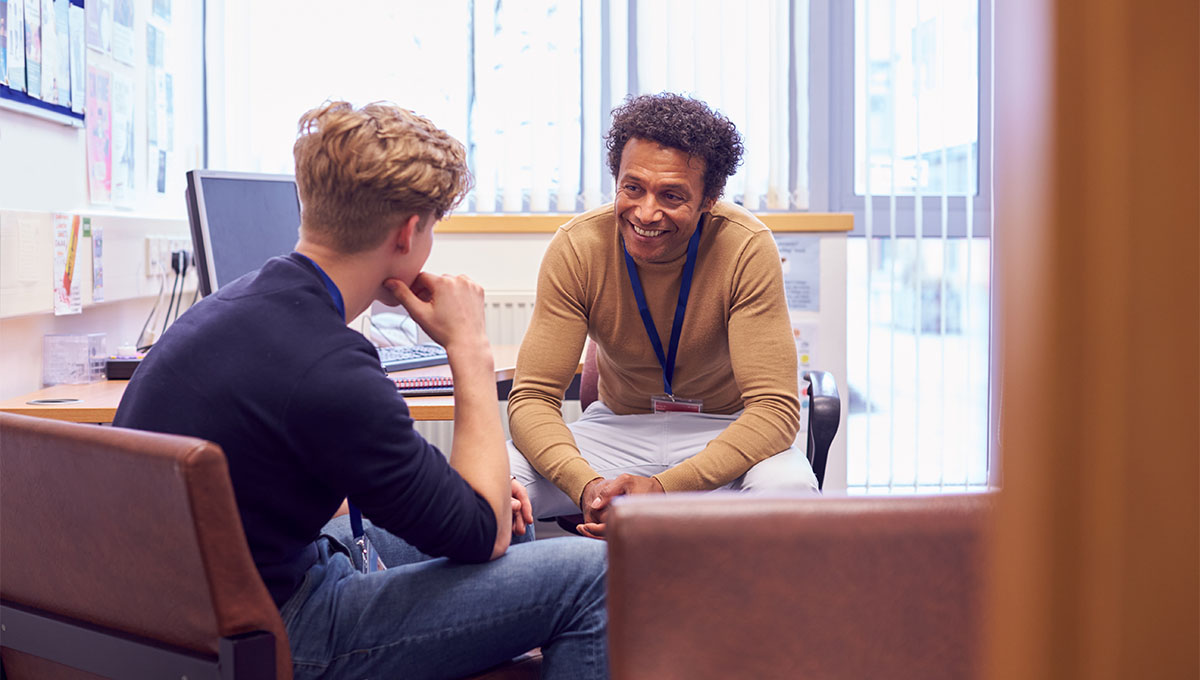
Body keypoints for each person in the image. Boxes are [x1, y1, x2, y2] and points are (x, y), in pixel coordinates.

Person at [114, 101, 607, 680]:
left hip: (184, 612)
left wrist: (482, 506)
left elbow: (439, 501)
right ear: (407, 233)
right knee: (596, 572)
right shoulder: (330, 368)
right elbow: (481, 535)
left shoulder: (235, 305)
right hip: (276, 633)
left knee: (519, 530)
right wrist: (468, 348)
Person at [507, 93, 818, 539]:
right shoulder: (578, 247)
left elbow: (774, 411)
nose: (646, 212)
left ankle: (746, 611)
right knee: (492, 482)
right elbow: (532, 399)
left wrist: (664, 488)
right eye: (632, 187)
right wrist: (588, 487)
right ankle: (544, 603)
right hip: (617, 431)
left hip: (723, 431)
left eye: (671, 195)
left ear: (709, 198)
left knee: (789, 492)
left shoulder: (746, 247)